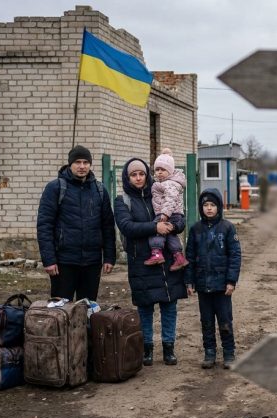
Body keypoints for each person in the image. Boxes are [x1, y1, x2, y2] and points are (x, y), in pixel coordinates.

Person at [114, 158, 187, 366]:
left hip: (166, 259)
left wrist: (173, 226)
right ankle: (146, 349)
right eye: (133, 175)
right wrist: (155, 228)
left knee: (169, 306)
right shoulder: (123, 200)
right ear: (127, 178)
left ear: (147, 174)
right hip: (142, 261)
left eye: (141, 174)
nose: (138, 178)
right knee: (145, 308)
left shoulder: (159, 191)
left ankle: (168, 348)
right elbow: (127, 227)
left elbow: (179, 217)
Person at [36, 145, 115, 301]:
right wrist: (49, 259)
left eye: (86, 162)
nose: (82, 166)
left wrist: (109, 257)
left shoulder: (99, 190)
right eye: (77, 162)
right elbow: (45, 225)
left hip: (92, 262)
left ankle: (85, 327)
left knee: (87, 308)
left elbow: (107, 226)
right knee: (60, 309)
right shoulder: (55, 188)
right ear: (70, 164)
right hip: (64, 261)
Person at [185, 188, 242, 369]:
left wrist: (231, 281)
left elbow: (235, 256)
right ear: (201, 208)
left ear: (219, 207)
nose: (209, 208)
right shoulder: (195, 229)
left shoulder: (227, 228)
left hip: (222, 286)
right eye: (205, 205)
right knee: (206, 321)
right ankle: (209, 353)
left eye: (213, 205)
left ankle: (229, 353)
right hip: (203, 285)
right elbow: (190, 257)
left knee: (225, 320)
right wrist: (189, 281)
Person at [144, 152, 189, 271]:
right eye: (157, 169)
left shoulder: (169, 184)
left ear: (170, 171)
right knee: (171, 235)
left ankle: (156, 253)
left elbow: (171, 198)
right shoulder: (167, 182)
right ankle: (179, 257)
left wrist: (165, 213)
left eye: (162, 169)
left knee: (156, 230)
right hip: (174, 214)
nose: (159, 172)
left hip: (168, 213)